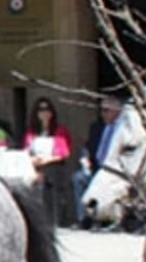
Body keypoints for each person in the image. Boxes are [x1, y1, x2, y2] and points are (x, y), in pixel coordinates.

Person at [71, 95, 123, 226]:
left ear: (117, 111)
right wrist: (85, 158)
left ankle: (110, 220)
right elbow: (88, 147)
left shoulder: (122, 130)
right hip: (96, 168)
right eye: (102, 110)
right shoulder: (96, 127)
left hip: (114, 171)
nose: (103, 114)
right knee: (78, 178)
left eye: (107, 110)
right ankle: (83, 219)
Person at [23, 97, 72, 225]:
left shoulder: (59, 130)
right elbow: (26, 150)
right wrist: (33, 160)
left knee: (48, 178)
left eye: (47, 110)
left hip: (53, 165)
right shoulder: (31, 131)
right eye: (41, 110)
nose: (44, 113)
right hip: (35, 165)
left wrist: (45, 160)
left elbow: (63, 153)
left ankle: (53, 219)